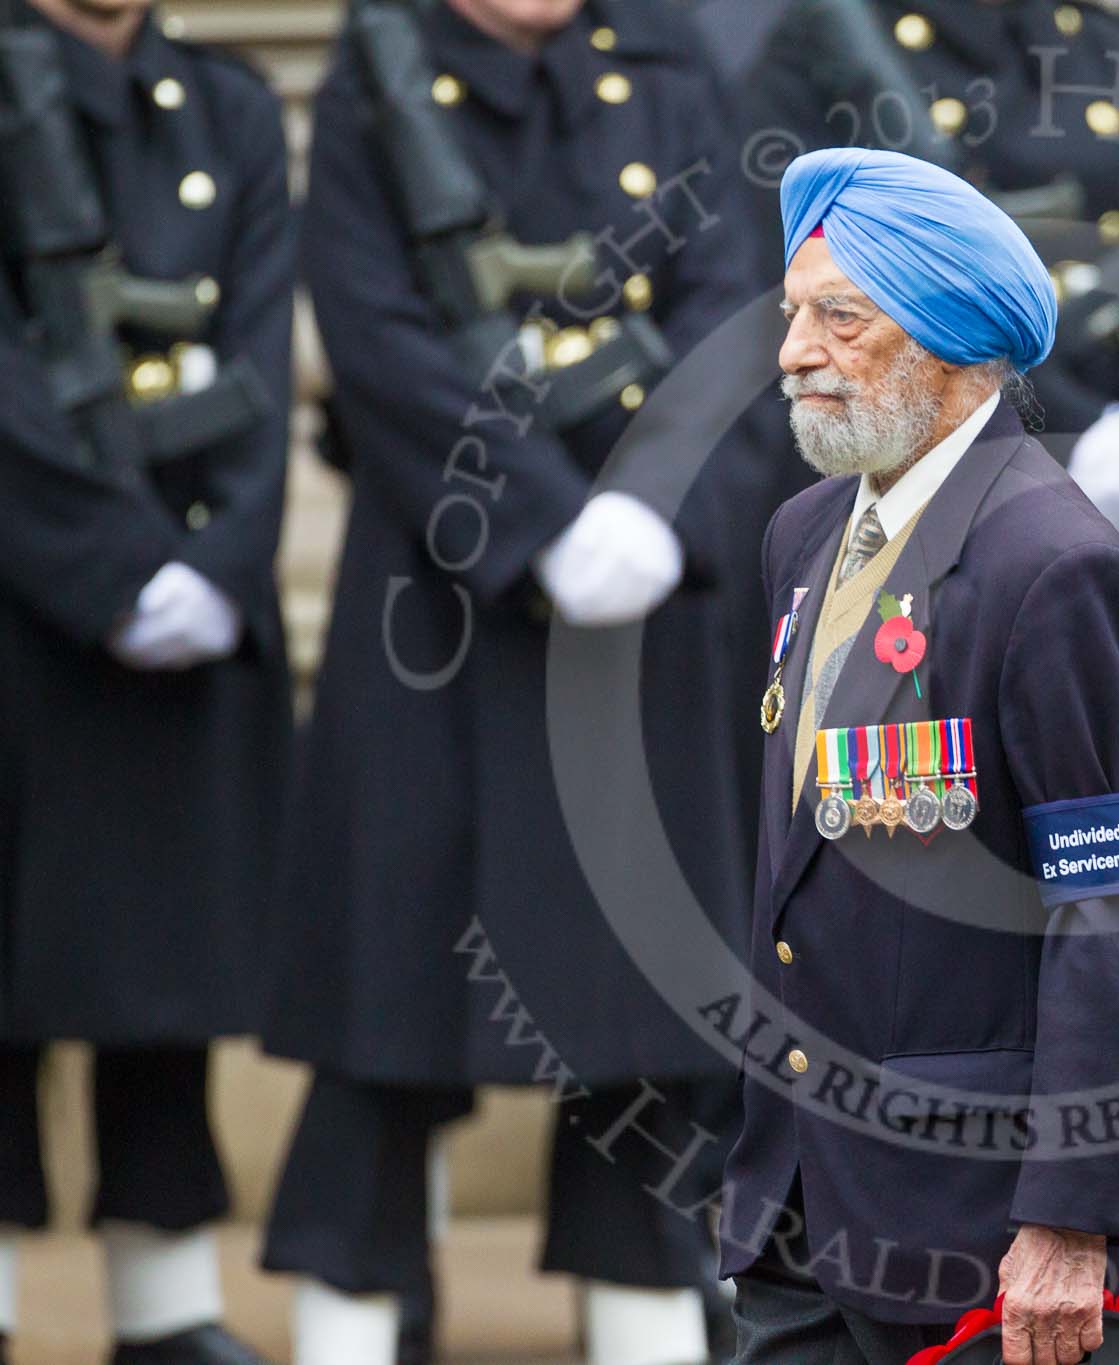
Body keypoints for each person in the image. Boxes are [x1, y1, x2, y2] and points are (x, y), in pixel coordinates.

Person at [257, 1, 768, 1362]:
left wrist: (657, 505)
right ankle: (350, 1333)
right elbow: (375, 336)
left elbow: (731, 301)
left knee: (648, 1045)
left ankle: (649, 1333)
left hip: (646, 615)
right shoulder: (384, 68)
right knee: (387, 1030)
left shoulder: (666, 61)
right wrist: (537, 521)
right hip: (443, 604)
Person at [721, 146, 1119, 1365]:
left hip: (979, 1239)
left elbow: (1111, 911)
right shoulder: (804, 531)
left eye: (840, 317)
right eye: (791, 316)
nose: (793, 352)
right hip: (798, 1205)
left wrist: (1069, 1222)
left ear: (945, 336)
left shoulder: (1052, 561)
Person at [0, 0, 294, 1359]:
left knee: (162, 975)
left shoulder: (226, 108)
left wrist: (217, 568)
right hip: (27, 601)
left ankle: (166, 1305)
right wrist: (104, 567)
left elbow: (260, 353)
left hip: (187, 596)